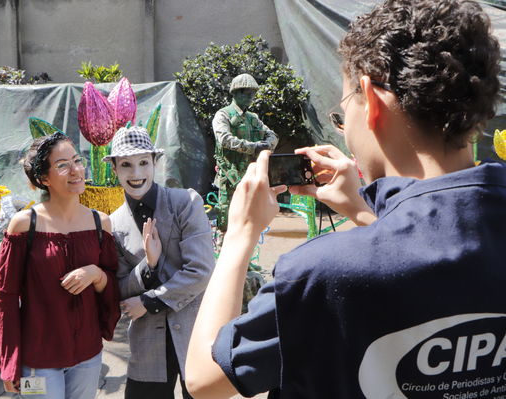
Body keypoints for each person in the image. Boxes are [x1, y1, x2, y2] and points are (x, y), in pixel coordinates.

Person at [186, 1, 506, 398]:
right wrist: (360, 209)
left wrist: (239, 237)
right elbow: (444, 259)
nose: (343, 129)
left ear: (370, 99)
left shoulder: (320, 274)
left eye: (342, 111)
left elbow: (203, 378)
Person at [0, 131, 120, 398]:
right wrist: (8, 362)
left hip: (87, 354)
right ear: (43, 178)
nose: (76, 170)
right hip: (38, 359)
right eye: (62, 165)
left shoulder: (101, 224)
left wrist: (96, 274)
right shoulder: (24, 225)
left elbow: (111, 283)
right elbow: (3, 297)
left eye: (77, 160)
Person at [104, 126, 215, 399]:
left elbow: (201, 271)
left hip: (194, 330)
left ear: (155, 163)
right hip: (148, 341)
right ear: (115, 169)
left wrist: (148, 301)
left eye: (143, 162)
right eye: (126, 165)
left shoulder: (185, 203)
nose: (136, 173)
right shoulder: (113, 224)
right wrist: (148, 266)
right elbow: (120, 287)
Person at [212, 73, 279, 232]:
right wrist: (254, 147)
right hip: (229, 178)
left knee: (250, 222)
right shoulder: (223, 115)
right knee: (226, 224)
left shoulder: (253, 118)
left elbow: (273, 136)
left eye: (252, 93)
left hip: (250, 178)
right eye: (245, 92)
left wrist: (266, 145)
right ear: (235, 92)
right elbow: (225, 139)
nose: (250, 96)